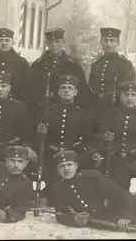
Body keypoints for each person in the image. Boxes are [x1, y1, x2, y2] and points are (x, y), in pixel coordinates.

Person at [35, 75, 100, 205]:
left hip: (73, 154)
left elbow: (89, 139)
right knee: (50, 172)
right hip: (51, 154)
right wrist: (41, 132)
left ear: (75, 92)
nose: (66, 91)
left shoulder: (81, 115)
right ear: (58, 92)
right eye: (63, 88)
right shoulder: (49, 113)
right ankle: (49, 197)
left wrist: (78, 150)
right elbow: (40, 139)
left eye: (70, 88)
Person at [29, 28, 91, 121]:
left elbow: (83, 93)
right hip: (40, 113)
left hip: (65, 115)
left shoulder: (73, 66)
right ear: (46, 43)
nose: (54, 45)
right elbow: (30, 91)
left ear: (63, 43)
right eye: (51, 42)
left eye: (57, 41)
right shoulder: (38, 65)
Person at [89, 27, 135, 130]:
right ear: (101, 42)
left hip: (116, 112)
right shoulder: (96, 64)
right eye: (105, 40)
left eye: (112, 40)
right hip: (97, 113)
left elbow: (129, 92)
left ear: (118, 43)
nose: (108, 44)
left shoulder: (125, 65)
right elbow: (91, 90)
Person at [0, 28, 32, 104]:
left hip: (16, 105)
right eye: (1, 40)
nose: (4, 43)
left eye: (7, 40)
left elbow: (28, 87)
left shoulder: (21, 63)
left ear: (13, 42)